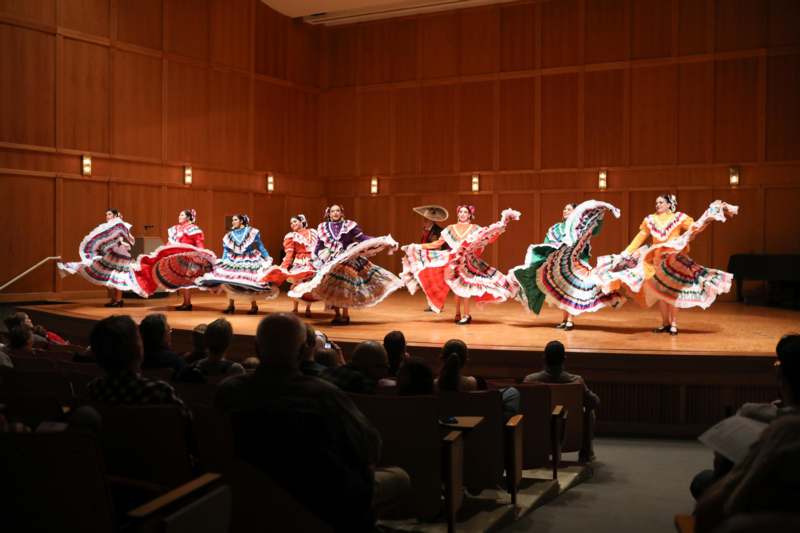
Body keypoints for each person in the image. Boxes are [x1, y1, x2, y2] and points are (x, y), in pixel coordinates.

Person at [215, 313, 410, 532]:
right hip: (318, 502)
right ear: (303, 352)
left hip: (245, 496)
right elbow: (370, 446)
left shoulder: (228, 390)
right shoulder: (322, 394)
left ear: (257, 348)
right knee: (399, 478)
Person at [594, 195, 737, 335]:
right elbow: (640, 237)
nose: (658, 205)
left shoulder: (679, 218)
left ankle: (673, 323)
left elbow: (694, 228)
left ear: (669, 204)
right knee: (662, 293)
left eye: (661, 202)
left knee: (673, 292)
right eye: (656, 203)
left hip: (675, 259)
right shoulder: (651, 220)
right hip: (657, 261)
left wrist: (709, 215)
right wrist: (625, 253)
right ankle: (664, 323)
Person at [690, 334, 800, 500]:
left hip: (765, 500)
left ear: (784, 380)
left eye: (779, 365)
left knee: (701, 482)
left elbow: (742, 483)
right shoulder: (775, 413)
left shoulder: (776, 426)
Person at [508, 200, 623, 330]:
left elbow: (595, 230)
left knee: (573, 291)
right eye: (564, 209)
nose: (565, 211)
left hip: (577, 264)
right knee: (564, 293)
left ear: (575, 212)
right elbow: (548, 243)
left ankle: (569, 320)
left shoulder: (581, 228)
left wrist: (600, 216)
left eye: (568, 209)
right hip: (559, 264)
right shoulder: (556, 228)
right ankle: (565, 320)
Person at [402, 206, 519, 324]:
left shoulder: (475, 228)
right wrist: (417, 246)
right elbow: (437, 243)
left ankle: (466, 315)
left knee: (465, 287)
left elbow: (488, 239)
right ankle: (457, 313)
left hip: (468, 261)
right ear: (458, 214)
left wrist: (500, 228)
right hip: (453, 261)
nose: (463, 214)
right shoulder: (450, 229)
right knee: (456, 288)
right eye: (461, 212)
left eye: (465, 212)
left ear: (469, 215)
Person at [289, 205, 403, 325]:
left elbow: (362, 238)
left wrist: (382, 240)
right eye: (333, 211)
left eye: (337, 211)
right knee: (333, 286)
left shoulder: (349, 225)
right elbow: (319, 245)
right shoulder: (323, 227)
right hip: (333, 259)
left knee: (345, 286)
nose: (335, 213)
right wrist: (315, 257)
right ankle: (338, 314)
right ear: (329, 214)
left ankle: (345, 315)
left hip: (348, 257)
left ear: (341, 213)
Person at [85, 315, 187, 415]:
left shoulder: (93, 389)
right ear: (138, 349)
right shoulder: (160, 392)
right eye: (138, 339)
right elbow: (185, 421)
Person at [524, 340, 600, 463]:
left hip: (540, 435)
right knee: (589, 411)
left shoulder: (530, 380)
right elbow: (595, 402)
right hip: (572, 435)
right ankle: (586, 453)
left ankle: (531, 453)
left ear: (544, 358)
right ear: (564, 359)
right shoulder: (576, 381)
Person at [130, 209, 216, 310]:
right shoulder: (176, 229)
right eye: (179, 215)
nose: (179, 217)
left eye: (182, 215)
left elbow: (199, 244)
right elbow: (171, 243)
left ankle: (187, 303)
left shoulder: (194, 229)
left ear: (188, 217)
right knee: (182, 280)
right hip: (178, 258)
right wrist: (162, 252)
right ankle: (186, 303)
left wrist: (202, 255)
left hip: (190, 259)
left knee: (186, 280)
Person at [197, 214, 276, 315]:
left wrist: (267, 257)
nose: (233, 222)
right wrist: (223, 261)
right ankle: (231, 305)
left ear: (241, 221)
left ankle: (254, 305)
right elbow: (226, 250)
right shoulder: (229, 235)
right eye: (232, 220)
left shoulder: (251, 232)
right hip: (234, 259)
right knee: (230, 281)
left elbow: (260, 246)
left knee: (249, 282)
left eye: (235, 220)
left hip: (248, 260)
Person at [58, 208, 134, 307]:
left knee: (117, 277)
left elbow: (125, 236)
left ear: (115, 215)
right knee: (107, 277)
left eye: (110, 214)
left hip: (118, 253)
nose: (107, 216)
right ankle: (114, 299)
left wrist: (120, 223)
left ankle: (118, 300)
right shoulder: (105, 226)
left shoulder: (119, 224)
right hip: (108, 253)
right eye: (107, 214)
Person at [262, 214, 319, 317]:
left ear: (302, 221)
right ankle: (295, 308)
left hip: (312, 261)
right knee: (296, 283)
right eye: (291, 223)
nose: (293, 224)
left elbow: (317, 248)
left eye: (295, 221)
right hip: (299, 262)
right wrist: (283, 266)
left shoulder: (313, 232)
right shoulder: (291, 236)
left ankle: (308, 308)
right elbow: (289, 253)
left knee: (309, 284)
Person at [322, 341, 390, 394]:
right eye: (383, 366)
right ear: (369, 366)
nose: (386, 369)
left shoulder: (325, 373)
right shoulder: (366, 386)